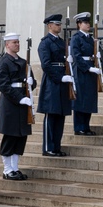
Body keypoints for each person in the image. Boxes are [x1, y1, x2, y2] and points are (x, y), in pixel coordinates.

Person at [0, 32, 35, 180]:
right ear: (7, 45)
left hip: (23, 103)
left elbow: (32, 82)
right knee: (10, 137)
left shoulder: (24, 62)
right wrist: (20, 98)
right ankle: (7, 169)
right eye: (14, 42)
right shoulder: (3, 63)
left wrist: (31, 82)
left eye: (18, 42)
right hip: (11, 104)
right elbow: (3, 86)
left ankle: (15, 167)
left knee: (21, 136)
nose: (17, 44)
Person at [38, 13, 73, 156]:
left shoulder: (61, 42)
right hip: (53, 81)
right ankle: (48, 147)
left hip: (63, 78)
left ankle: (56, 146)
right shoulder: (45, 42)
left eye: (60, 24)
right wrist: (60, 78)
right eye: (56, 24)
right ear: (49, 26)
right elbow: (46, 65)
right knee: (51, 115)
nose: (59, 26)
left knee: (60, 115)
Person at [70, 12, 102, 135]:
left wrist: (97, 57)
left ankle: (86, 126)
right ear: (79, 24)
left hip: (91, 69)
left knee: (89, 99)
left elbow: (93, 54)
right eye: (85, 22)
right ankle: (79, 127)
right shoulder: (76, 38)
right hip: (81, 70)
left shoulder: (90, 38)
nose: (88, 25)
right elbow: (76, 56)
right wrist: (88, 68)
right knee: (80, 99)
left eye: (88, 22)